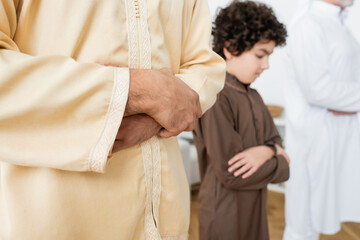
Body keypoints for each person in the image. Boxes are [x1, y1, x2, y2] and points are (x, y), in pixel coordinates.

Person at [0, 0, 226, 239]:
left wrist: (155, 114)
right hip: (56, 214)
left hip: (165, 213)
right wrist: (130, 92)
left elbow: (204, 65)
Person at [192, 1, 289, 239]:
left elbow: (276, 142)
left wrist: (266, 151)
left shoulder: (254, 96)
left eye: (269, 56)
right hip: (224, 216)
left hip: (255, 213)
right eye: (260, 55)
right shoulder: (215, 95)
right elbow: (232, 173)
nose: (266, 65)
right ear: (230, 47)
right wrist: (280, 161)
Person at [283, 0, 360, 239]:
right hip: (314, 139)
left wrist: (348, 102)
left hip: (335, 137)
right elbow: (319, 90)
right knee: (303, 221)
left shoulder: (337, 23)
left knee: (317, 215)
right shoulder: (309, 25)